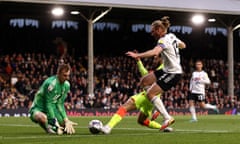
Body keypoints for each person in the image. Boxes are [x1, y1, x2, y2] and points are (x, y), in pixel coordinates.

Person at [126, 16, 186, 130]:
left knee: (150, 94)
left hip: (174, 73)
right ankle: (157, 107)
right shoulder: (172, 36)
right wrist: (175, 49)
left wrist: (138, 55)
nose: (151, 33)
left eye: (153, 30)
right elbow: (183, 45)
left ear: (159, 29)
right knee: (144, 81)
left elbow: (155, 52)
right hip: (166, 69)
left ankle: (167, 117)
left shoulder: (162, 40)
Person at [97, 55, 171, 134]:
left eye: (156, 57)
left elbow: (146, 75)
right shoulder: (164, 67)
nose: (154, 59)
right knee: (141, 121)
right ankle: (163, 127)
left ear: (161, 58)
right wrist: (139, 61)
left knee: (124, 108)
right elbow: (146, 74)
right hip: (152, 100)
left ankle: (108, 127)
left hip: (147, 95)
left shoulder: (163, 67)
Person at [29, 64, 78, 134]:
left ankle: (53, 126)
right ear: (58, 74)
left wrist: (66, 119)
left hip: (52, 108)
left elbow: (60, 104)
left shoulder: (67, 85)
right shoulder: (51, 84)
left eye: (68, 75)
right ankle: (48, 128)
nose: (67, 78)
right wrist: (53, 121)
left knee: (65, 127)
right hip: (38, 108)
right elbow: (48, 103)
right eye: (64, 75)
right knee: (42, 118)